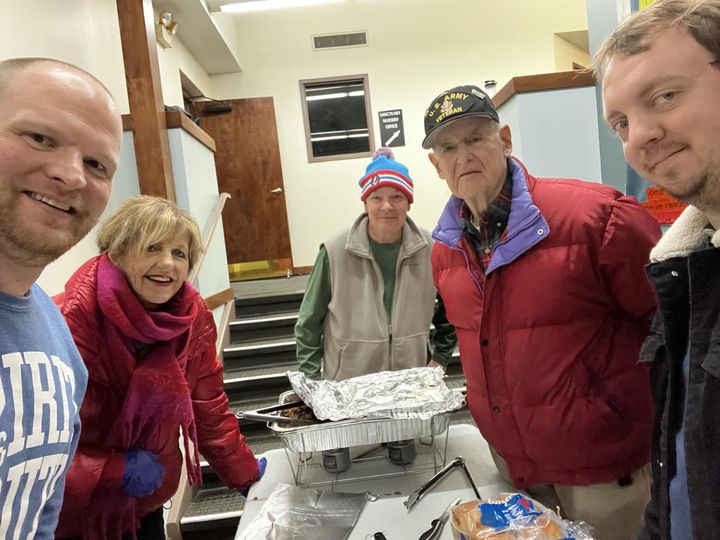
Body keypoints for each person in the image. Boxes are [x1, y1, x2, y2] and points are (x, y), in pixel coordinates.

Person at [422, 84, 661, 540]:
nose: (463, 155)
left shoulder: (597, 218)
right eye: (448, 147)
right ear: (436, 165)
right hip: (516, 471)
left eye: (476, 138)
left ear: (505, 140)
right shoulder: (445, 252)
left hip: (602, 472)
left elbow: (672, 330)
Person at [54, 196, 265, 539]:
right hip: (73, 516)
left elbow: (208, 409)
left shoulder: (191, 318)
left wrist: (246, 475)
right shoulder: (66, 323)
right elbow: (32, 448)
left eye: (179, 253)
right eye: (151, 248)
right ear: (117, 252)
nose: (167, 264)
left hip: (144, 506)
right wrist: (113, 471)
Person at [596, 1, 720, 538]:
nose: (638, 137)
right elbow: (680, 473)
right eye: (620, 122)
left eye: (665, 95)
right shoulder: (684, 271)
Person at [0, 58, 122, 538]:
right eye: (39, 138)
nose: (72, 176)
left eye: (96, 164)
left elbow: (35, 517)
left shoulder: (57, 342)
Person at [295, 147, 456, 381]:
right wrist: (310, 381)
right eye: (377, 197)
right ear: (365, 203)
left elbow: (450, 314)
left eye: (397, 197)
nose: (387, 206)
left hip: (410, 384)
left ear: (409, 203)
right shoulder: (334, 252)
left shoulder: (432, 250)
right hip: (347, 386)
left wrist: (439, 360)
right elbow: (308, 323)